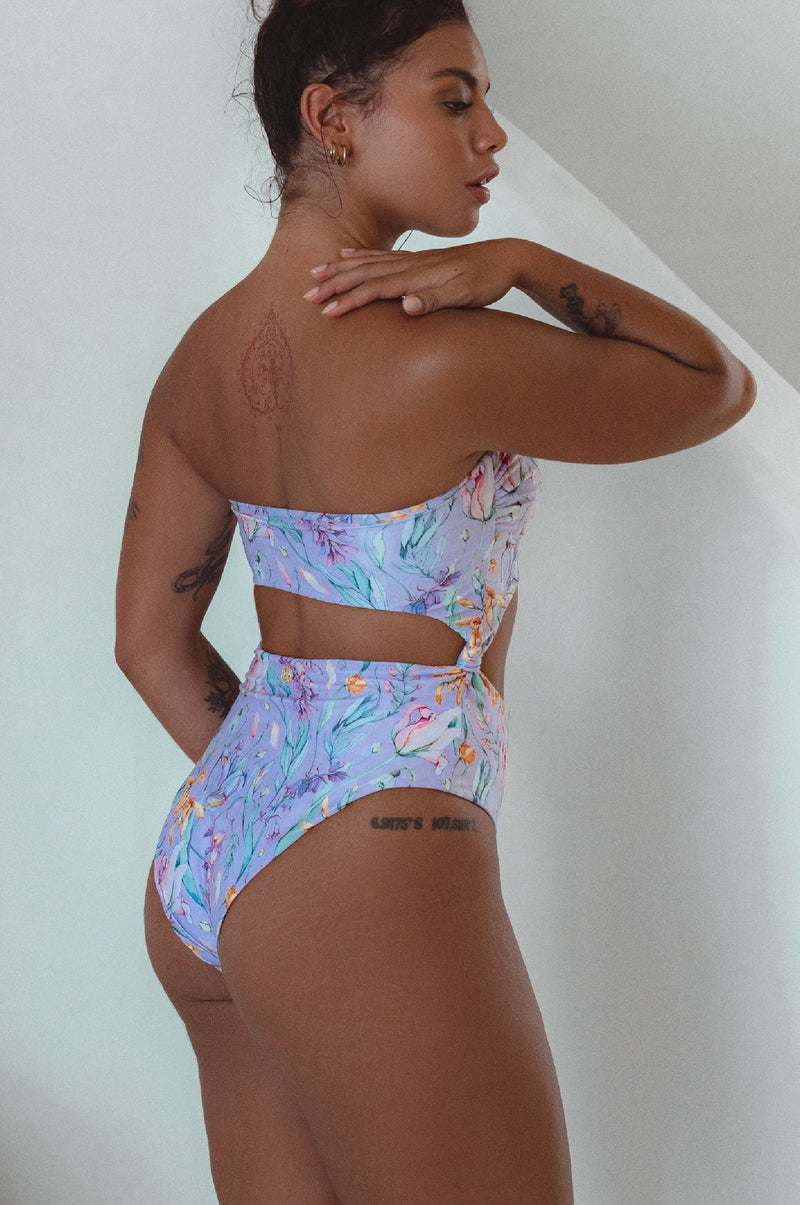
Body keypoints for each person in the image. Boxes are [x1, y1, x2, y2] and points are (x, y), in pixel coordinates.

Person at [115, 1, 756, 1201]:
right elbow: (710, 383)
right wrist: (519, 265)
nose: (491, 135)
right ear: (331, 118)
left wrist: (288, 793)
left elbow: (148, 641)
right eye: (454, 99)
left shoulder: (199, 360)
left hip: (213, 858)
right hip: (373, 856)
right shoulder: (441, 354)